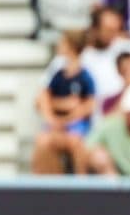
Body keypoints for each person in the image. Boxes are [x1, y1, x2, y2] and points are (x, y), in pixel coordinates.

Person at [32, 30, 96, 175]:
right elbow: (43, 99)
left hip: (77, 127)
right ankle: (52, 186)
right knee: (43, 142)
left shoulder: (86, 75)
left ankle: (82, 185)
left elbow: (89, 106)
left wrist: (68, 119)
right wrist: (57, 115)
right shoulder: (58, 73)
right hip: (56, 126)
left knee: (76, 143)